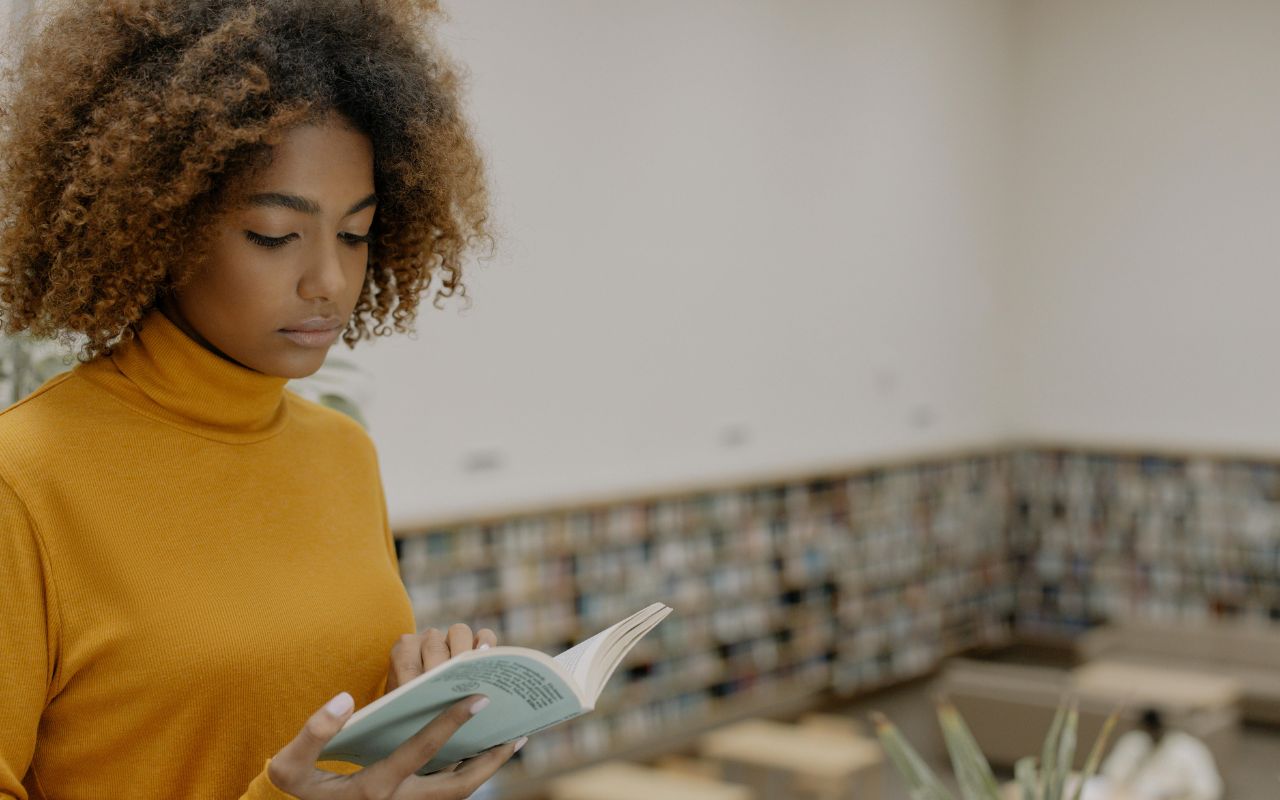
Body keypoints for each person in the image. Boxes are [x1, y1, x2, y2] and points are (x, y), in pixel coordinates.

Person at [0, 1, 522, 797]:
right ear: (157, 223)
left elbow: (318, 739)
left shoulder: (343, 454)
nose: (330, 282)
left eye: (355, 234)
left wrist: (418, 717)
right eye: (276, 235)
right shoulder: (24, 482)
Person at [1096, 708, 1224, 800]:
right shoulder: (1134, 742)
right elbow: (1111, 775)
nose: (1152, 733)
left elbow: (1208, 790)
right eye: (1148, 730)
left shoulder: (1188, 749)